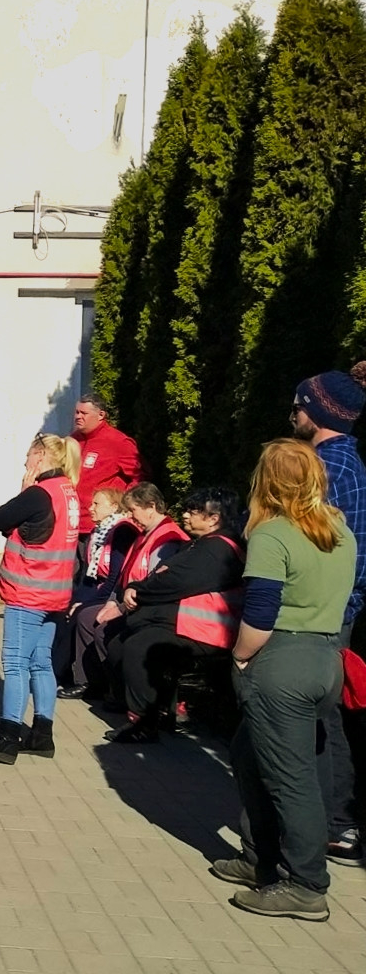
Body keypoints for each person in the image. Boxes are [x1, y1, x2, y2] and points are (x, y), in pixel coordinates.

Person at [214, 439, 357, 921]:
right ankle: (260, 857)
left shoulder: (273, 533)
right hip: (325, 657)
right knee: (250, 753)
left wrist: (240, 656)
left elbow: (260, 612)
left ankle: (306, 885)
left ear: (267, 481)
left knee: (291, 780)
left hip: (282, 662)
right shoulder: (339, 529)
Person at [0, 434, 80, 765]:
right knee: (41, 662)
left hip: (29, 591)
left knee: (15, 664)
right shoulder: (68, 492)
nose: (25, 461)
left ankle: (7, 736)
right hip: (55, 593)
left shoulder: (39, 493)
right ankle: (42, 735)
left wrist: (24, 489)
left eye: (29, 455)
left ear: (41, 456)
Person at [289, 366, 366, 865]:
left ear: (317, 412)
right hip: (332, 609)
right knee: (324, 713)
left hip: (322, 613)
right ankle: (334, 821)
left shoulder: (327, 469)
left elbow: (320, 547)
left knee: (319, 715)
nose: (293, 412)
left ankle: (335, 823)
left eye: (299, 404)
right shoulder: (342, 462)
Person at [101, 486, 246, 743]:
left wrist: (139, 590)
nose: (186, 515)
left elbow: (176, 580)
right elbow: (166, 573)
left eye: (194, 511)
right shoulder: (203, 544)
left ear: (214, 518)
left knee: (138, 648)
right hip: (184, 624)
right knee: (119, 644)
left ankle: (143, 724)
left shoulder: (218, 549)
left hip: (205, 631)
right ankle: (153, 712)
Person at [71, 484, 189, 709]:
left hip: (146, 609)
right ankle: (94, 683)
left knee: (105, 631)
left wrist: (120, 608)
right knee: (86, 617)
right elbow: (126, 574)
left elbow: (155, 584)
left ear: (151, 507)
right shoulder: (146, 534)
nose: (131, 516)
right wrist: (111, 602)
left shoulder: (167, 539)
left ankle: (120, 692)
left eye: (134, 510)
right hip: (127, 601)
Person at [58, 488, 138, 700]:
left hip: (112, 592)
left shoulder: (121, 531)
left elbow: (114, 576)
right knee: (67, 610)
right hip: (97, 586)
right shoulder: (98, 531)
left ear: (113, 507)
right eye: (91, 503)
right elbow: (88, 573)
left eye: (96, 504)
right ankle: (63, 672)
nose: (90, 508)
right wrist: (75, 600)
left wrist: (85, 604)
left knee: (82, 615)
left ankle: (81, 680)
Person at [72, 393, 142, 560]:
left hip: (100, 526)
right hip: (72, 523)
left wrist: (124, 507)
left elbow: (138, 477)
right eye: (77, 412)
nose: (78, 417)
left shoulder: (118, 442)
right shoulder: (73, 440)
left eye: (84, 413)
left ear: (101, 415)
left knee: (93, 572)